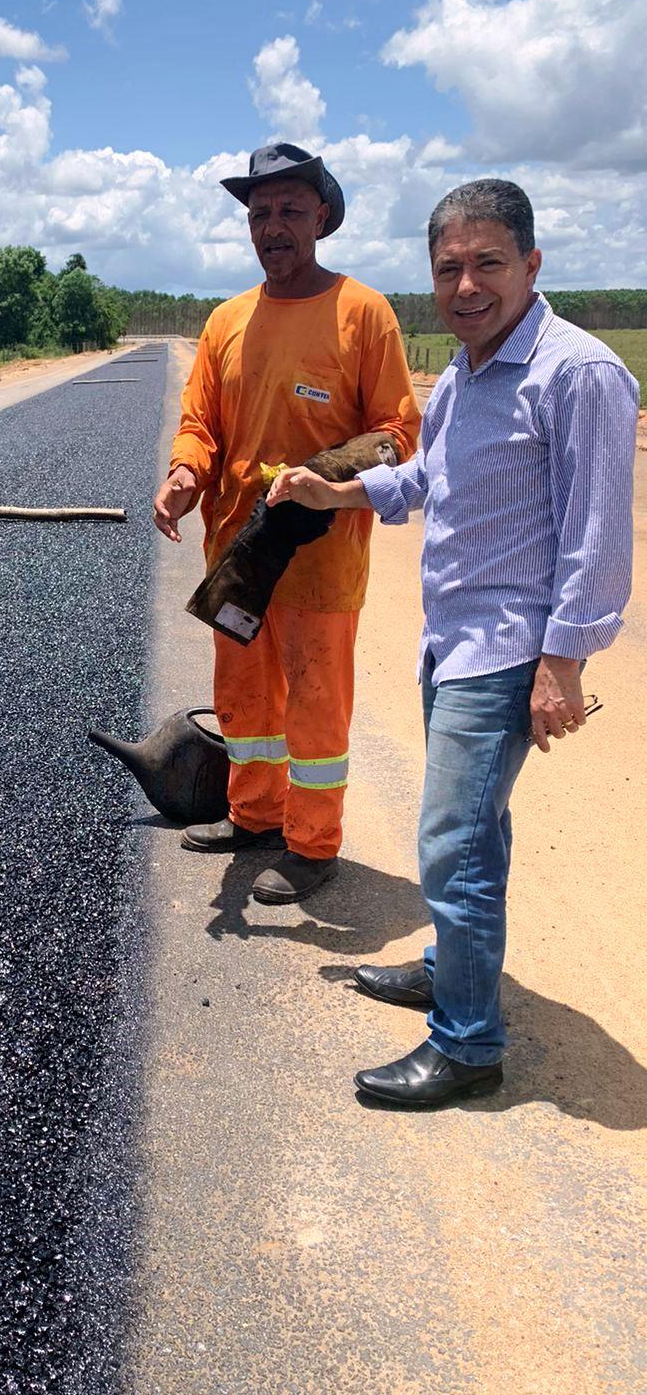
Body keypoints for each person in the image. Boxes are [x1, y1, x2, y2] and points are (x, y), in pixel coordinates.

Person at [266, 178, 638, 1106]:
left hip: (509, 649)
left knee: (451, 842)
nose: (467, 285)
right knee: (475, 831)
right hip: (454, 640)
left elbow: (597, 534)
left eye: (488, 264)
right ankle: (451, 962)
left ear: (531, 265)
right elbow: (430, 474)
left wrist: (564, 663)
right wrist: (339, 492)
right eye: (449, 269)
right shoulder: (469, 374)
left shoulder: (578, 374)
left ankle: (469, 1042)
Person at [154, 143, 420, 904]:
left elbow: (398, 431)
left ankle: (311, 844)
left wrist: (325, 477)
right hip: (236, 552)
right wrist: (183, 474)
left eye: (291, 211)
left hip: (320, 558)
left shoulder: (362, 313)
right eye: (261, 212)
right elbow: (199, 423)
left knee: (313, 702)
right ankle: (254, 815)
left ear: (323, 218)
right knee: (245, 697)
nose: (274, 226)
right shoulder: (226, 322)